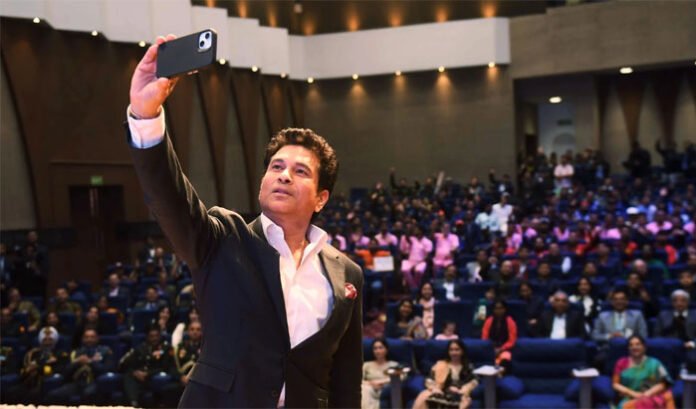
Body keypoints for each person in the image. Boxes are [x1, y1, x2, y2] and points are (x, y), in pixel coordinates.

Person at [127, 35, 362, 407]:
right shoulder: (223, 238)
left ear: (321, 198)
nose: (284, 175)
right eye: (276, 166)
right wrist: (146, 116)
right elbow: (168, 198)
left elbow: (346, 378)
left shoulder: (347, 273)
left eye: (300, 171)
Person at [45, 328, 114, 405]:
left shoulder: (105, 351)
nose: (89, 339)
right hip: (76, 384)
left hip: (95, 383)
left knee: (89, 394)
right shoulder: (75, 353)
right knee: (53, 395)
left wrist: (90, 362)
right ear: (82, 339)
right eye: (86, 337)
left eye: (92, 337)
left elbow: (108, 369)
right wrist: (76, 362)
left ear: (97, 338)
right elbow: (65, 373)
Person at [4, 327, 69, 405]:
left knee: (33, 396)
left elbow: (60, 369)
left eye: (50, 340)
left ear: (54, 340)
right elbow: (23, 367)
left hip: (44, 383)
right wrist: (28, 370)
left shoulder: (60, 354)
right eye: (45, 340)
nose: (47, 342)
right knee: (11, 392)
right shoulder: (33, 353)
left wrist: (39, 367)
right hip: (28, 381)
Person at [119, 324, 179, 407]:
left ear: (160, 336)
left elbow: (166, 366)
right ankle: (133, 403)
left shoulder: (166, 348)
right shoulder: (141, 348)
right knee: (129, 375)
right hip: (141, 378)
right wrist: (135, 372)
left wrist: (148, 374)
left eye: (156, 336)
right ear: (147, 337)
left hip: (155, 376)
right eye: (151, 336)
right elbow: (127, 364)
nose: (154, 338)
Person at [612, 335, 675, 409]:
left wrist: (647, 394)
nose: (634, 347)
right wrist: (633, 393)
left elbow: (664, 383)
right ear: (628, 348)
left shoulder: (655, 363)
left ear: (644, 347)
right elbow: (615, 384)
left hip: (651, 394)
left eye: (638, 344)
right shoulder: (621, 363)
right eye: (631, 345)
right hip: (630, 397)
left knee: (668, 395)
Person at [412, 340, 478, 409]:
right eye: (451, 350)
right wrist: (434, 388)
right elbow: (429, 379)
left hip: (459, 394)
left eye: (457, 350)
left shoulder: (468, 366)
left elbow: (474, 380)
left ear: (462, 351)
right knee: (424, 396)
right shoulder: (441, 365)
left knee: (465, 402)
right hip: (441, 391)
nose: (454, 352)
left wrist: (462, 389)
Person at [361, 338, 401, 409]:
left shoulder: (393, 364)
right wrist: (371, 383)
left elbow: (401, 377)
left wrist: (381, 381)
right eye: (375, 348)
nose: (378, 351)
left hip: (386, 389)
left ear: (386, 349)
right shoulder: (367, 365)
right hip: (370, 389)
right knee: (364, 388)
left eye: (380, 348)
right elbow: (359, 380)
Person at [482, 300, 517, 367]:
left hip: (505, 349)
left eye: (501, 308)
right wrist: (492, 349)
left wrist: (501, 349)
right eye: (496, 308)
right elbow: (484, 338)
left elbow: (512, 341)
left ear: (505, 309)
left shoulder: (510, 321)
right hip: (490, 349)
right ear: (493, 310)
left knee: (505, 359)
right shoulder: (488, 321)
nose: (499, 311)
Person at [399, 226, 433, 290]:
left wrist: (418, 263)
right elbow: (406, 237)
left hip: (421, 262)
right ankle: (414, 286)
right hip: (410, 261)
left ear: (421, 231)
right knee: (404, 269)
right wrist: (409, 229)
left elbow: (427, 256)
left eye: (417, 230)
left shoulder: (428, 242)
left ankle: (414, 286)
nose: (415, 231)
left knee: (418, 270)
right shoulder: (412, 239)